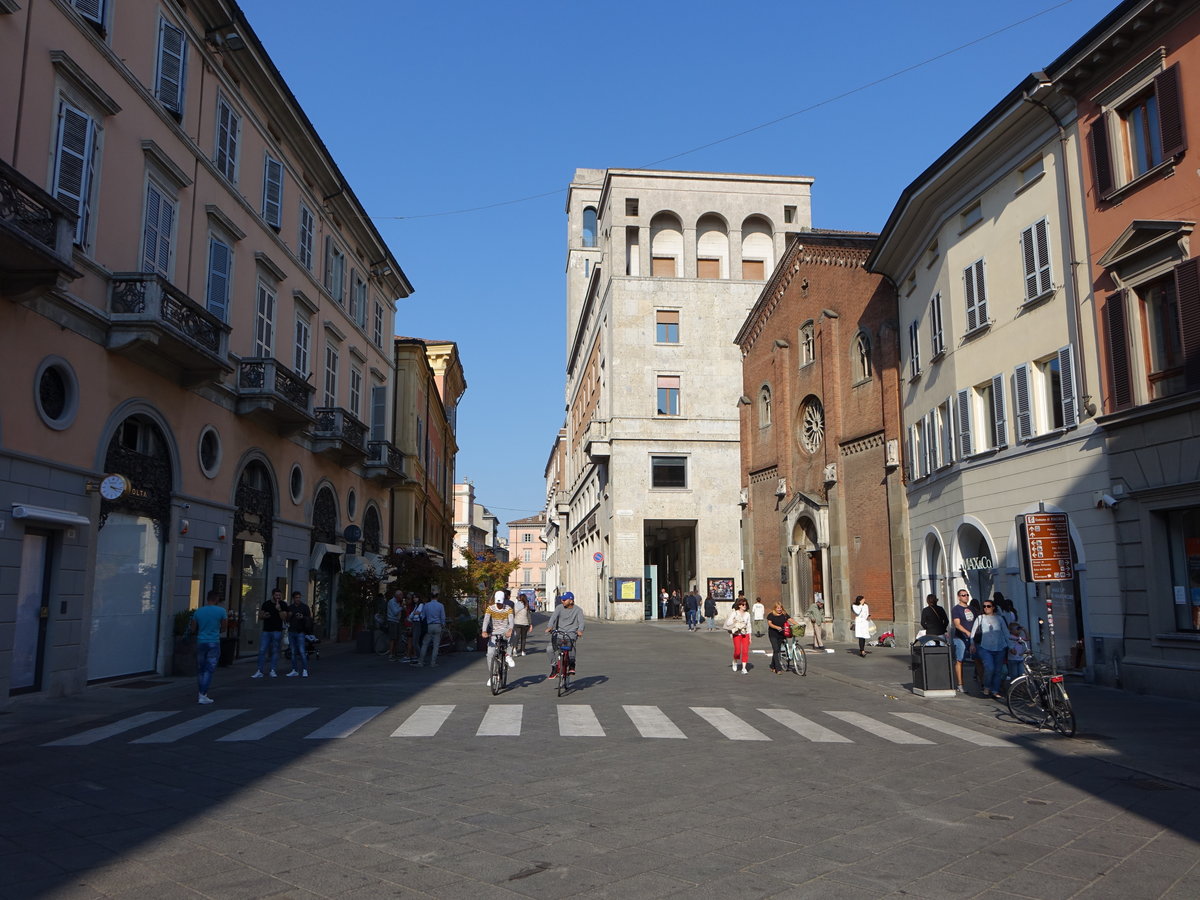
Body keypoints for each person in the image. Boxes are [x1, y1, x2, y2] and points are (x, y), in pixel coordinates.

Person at [189, 591, 227, 703]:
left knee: (201, 669)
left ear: (207, 599)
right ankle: (203, 694)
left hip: (201, 641)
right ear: (216, 599)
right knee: (209, 669)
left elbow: (193, 628)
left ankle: (201, 692)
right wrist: (217, 630)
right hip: (214, 641)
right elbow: (224, 627)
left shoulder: (198, 611)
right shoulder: (221, 611)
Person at [970, 598, 1010, 699]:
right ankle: (987, 686)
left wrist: (1011, 646)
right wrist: (972, 644)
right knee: (989, 668)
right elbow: (973, 632)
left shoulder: (1000, 618)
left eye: (988, 606)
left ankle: (995, 690)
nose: (986, 608)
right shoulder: (980, 618)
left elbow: (1006, 633)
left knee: (998, 670)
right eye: (984, 606)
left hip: (1000, 647)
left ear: (993, 607)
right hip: (985, 647)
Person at [482, 590, 516, 687]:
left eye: (500, 603)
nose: (499, 605)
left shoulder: (508, 608)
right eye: (498, 603)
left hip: (505, 631)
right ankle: (492, 675)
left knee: (513, 632)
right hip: (494, 632)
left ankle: (508, 654)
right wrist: (484, 631)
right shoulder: (490, 608)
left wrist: (510, 629)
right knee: (490, 654)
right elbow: (486, 620)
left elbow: (511, 621)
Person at [951, 589, 983, 693]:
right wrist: (967, 632)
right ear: (959, 597)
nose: (965, 597)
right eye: (963, 595)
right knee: (960, 660)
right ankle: (960, 684)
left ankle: (983, 682)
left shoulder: (972, 609)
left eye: (967, 595)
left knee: (978, 659)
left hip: (973, 637)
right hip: (960, 637)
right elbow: (957, 624)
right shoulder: (956, 609)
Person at [545, 590, 585, 675]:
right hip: (559, 633)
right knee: (549, 649)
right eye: (562, 599)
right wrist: (549, 626)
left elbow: (581, 622)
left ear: (571, 600)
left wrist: (580, 630)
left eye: (564, 600)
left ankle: (572, 664)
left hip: (571, 633)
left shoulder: (578, 610)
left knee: (571, 646)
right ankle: (554, 666)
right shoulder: (559, 608)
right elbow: (553, 618)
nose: (562, 601)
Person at [252, 588, 286, 678]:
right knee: (262, 650)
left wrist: (279, 610)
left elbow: (284, 618)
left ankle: (273, 670)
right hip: (266, 630)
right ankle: (260, 670)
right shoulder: (266, 604)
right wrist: (264, 616)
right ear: (273, 595)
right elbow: (260, 616)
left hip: (277, 630)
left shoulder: (283, 604)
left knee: (275, 651)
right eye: (276, 595)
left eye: (279, 595)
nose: (278, 597)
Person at [412, 593, 446, 667]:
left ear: (430, 597)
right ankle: (433, 662)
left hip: (429, 626)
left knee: (425, 644)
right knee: (436, 645)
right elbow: (443, 617)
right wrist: (443, 625)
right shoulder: (440, 605)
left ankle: (420, 662)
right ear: (437, 597)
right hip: (437, 625)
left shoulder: (426, 605)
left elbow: (423, 616)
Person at [286, 591, 312, 677]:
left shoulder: (304, 607)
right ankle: (294, 670)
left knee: (302, 651)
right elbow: (286, 620)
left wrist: (302, 617)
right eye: (296, 598)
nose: (298, 599)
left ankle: (305, 670)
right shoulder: (290, 607)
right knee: (293, 652)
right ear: (293, 598)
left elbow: (309, 619)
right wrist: (289, 616)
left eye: (299, 597)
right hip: (291, 631)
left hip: (300, 632)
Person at [723, 596, 753, 674]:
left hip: (745, 633)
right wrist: (734, 621)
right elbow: (728, 623)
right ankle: (735, 661)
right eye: (743, 605)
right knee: (737, 651)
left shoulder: (747, 614)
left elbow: (749, 625)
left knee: (745, 651)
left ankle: (744, 668)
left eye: (745, 605)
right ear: (739, 605)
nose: (744, 606)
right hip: (737, 633)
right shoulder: (735, 613)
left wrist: (750, 637)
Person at [766, 601, 795, 673]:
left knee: (777, 650)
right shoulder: (771, 615)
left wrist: (798, 625)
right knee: (776, 649)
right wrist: (776, 627)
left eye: (780, 608)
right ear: (775, 608)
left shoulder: (784, 614)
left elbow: (790, 619)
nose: (779, 609)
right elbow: (769, 623)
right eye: (778, 608)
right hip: (773, 634)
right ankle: (778, 669)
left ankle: (773, 666)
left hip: (782, 634)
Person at [385, 588, 405, 661]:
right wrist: (401, 607)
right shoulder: (392, 602)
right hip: (392, 621)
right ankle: (391, 654)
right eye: (401, 595)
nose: (402, 597)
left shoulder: (397, 602)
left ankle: (394, 653)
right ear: (397, 596)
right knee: (393, 638)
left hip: (396, 621)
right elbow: (395, 612)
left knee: (396, 638)